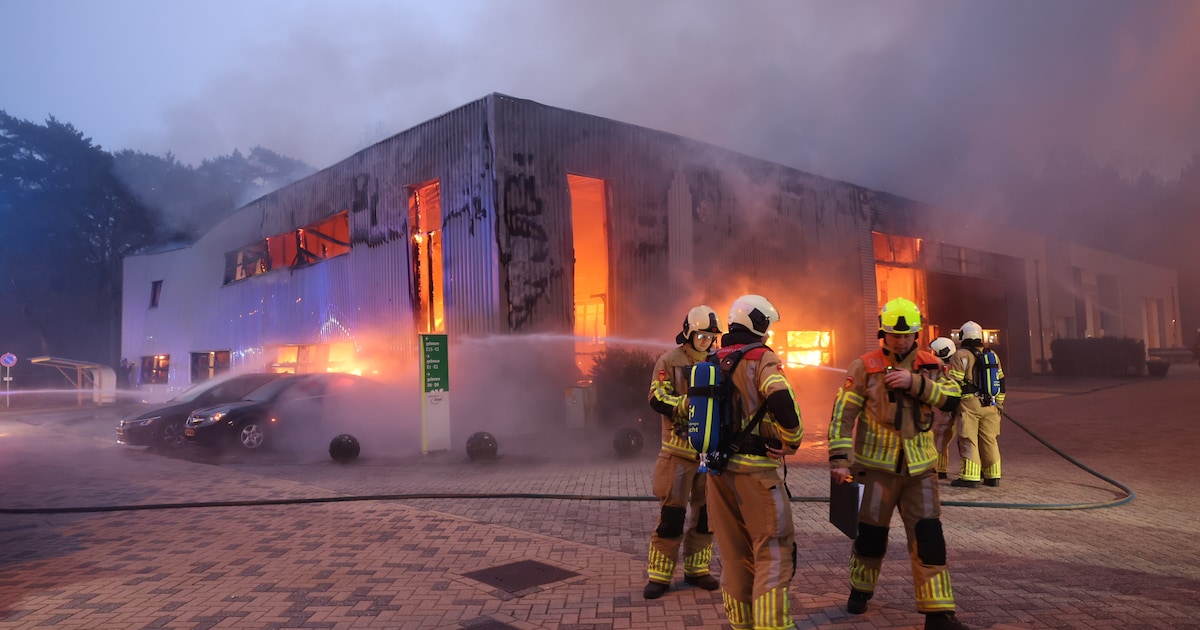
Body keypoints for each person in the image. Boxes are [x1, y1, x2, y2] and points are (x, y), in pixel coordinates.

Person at [828, 297, 968, 630]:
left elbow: (952, 397)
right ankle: (860, 590)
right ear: (883, 333)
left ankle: (938, 613)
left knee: (929, 537)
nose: (901, 341)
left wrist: (915, 383)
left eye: (907, 336)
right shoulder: (864, 366)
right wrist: (839, 461)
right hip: (875, 470)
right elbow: (842, 415)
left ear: (916, 334)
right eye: (894, 335)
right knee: (871, 537)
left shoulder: (930, 364)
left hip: (920, 471)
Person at [705, 295, 803, 630]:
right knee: (773, 552)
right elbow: (781, 401)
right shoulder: (761, 358)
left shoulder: (713, 359)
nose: (769, 333)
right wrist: (792, 439)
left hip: (717, 474)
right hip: (756, 474)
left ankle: (742, 624)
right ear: (758, 324)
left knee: (734, 556)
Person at [642, 305, 724, 599]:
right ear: (689, 332)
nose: (706, 341)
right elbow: (657, 395)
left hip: (710, 454)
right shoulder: (670, 360)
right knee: (672, 517)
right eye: (700, 335)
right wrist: (685, 404)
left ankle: (697, 570)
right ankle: (660, 576)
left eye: (710, 336)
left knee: (706, 516)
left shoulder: (720, 362)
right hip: (677, 453)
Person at [947, 321, 1006, 488]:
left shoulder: (960, 355)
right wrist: (999, 404)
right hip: (991, 404)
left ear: (962, 335)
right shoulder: (992, 355)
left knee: (968, 439)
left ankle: (970, 477)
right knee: (989, 439)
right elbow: (1001, 382)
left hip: (969, 405)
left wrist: (950, 406)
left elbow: (953, 384)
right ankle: (993, 475)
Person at [929, 337, 957, 480]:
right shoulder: (955, 365)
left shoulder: (945, 369)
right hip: (964, 408)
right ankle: (978, 471)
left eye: (934, 352)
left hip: (950, 410)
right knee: (968, 440)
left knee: (940, 437)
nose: (932, 354)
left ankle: (940, 469)